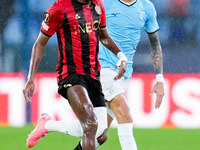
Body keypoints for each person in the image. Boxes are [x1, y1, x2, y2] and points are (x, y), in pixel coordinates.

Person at [22, 0, 127, 149]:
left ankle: (47, 125)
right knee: (90, 123)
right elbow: (40, 43)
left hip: (93, 74)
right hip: (70, 73)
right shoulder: (59, 8)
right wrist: (30, 78)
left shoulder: (97, 5)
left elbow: (103, 36)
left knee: (100, 134)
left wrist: (121, 56)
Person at [98, 0, 165, 149]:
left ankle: (49, 125)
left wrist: (159, 80)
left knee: (98, 134)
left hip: (124, 74)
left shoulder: (147, 7)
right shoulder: (105, 3)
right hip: (104, 67)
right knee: (125, 114)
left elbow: (155, 43)